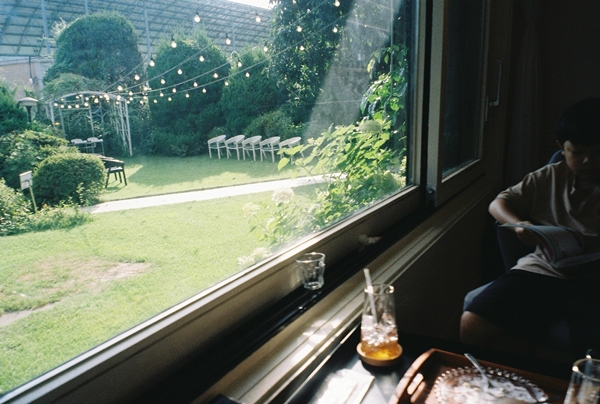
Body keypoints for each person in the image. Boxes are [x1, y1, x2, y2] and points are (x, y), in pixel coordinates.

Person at [460, 98, 600, 356]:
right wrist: (518, 224)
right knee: (473, 323)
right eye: (578, 153)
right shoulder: (551, 176)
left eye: (598, 152)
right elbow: (498, 203)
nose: (589, 161)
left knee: (589, 349)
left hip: (593, 281)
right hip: (544, 270)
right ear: (561, 148)